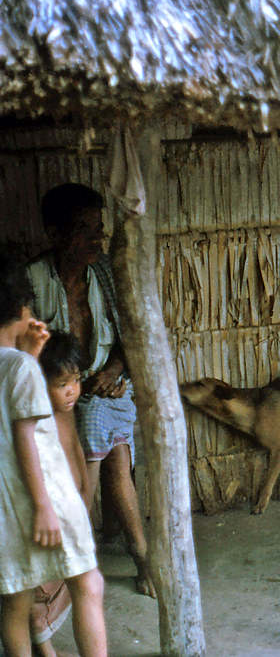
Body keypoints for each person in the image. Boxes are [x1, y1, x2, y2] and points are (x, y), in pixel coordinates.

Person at [26, 182, 155, 598]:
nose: (97, 238)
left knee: (104, 431)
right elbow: (23, 359)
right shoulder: (33, 280)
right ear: (55, 234)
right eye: (84, 229)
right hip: (54, 399)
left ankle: (90, 557)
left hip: (105, 388)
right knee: (106, 449)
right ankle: (139, 556)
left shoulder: (103, 274)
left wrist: (116, 370)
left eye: (99, 228)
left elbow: (130, 338)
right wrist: (64, 388)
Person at [0, 257, 108, 657]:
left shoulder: (16, 364)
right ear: (22, 308)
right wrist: (45, 506)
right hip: (44, 499)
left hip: (5, 507)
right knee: (88, 584)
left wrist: (29, 352)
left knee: (15, 601)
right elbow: (25, 438)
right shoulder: (24, 370)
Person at [30, 331, 90, 655]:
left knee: (73, 584)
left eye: (77, 380)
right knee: (39, 592)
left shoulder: (67, 413)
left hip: (73, 512)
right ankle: (44, 648)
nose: (72, 391)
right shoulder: (37, 423)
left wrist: (84, 495)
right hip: (51, 519)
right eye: (62, 384)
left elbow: (76, 454)